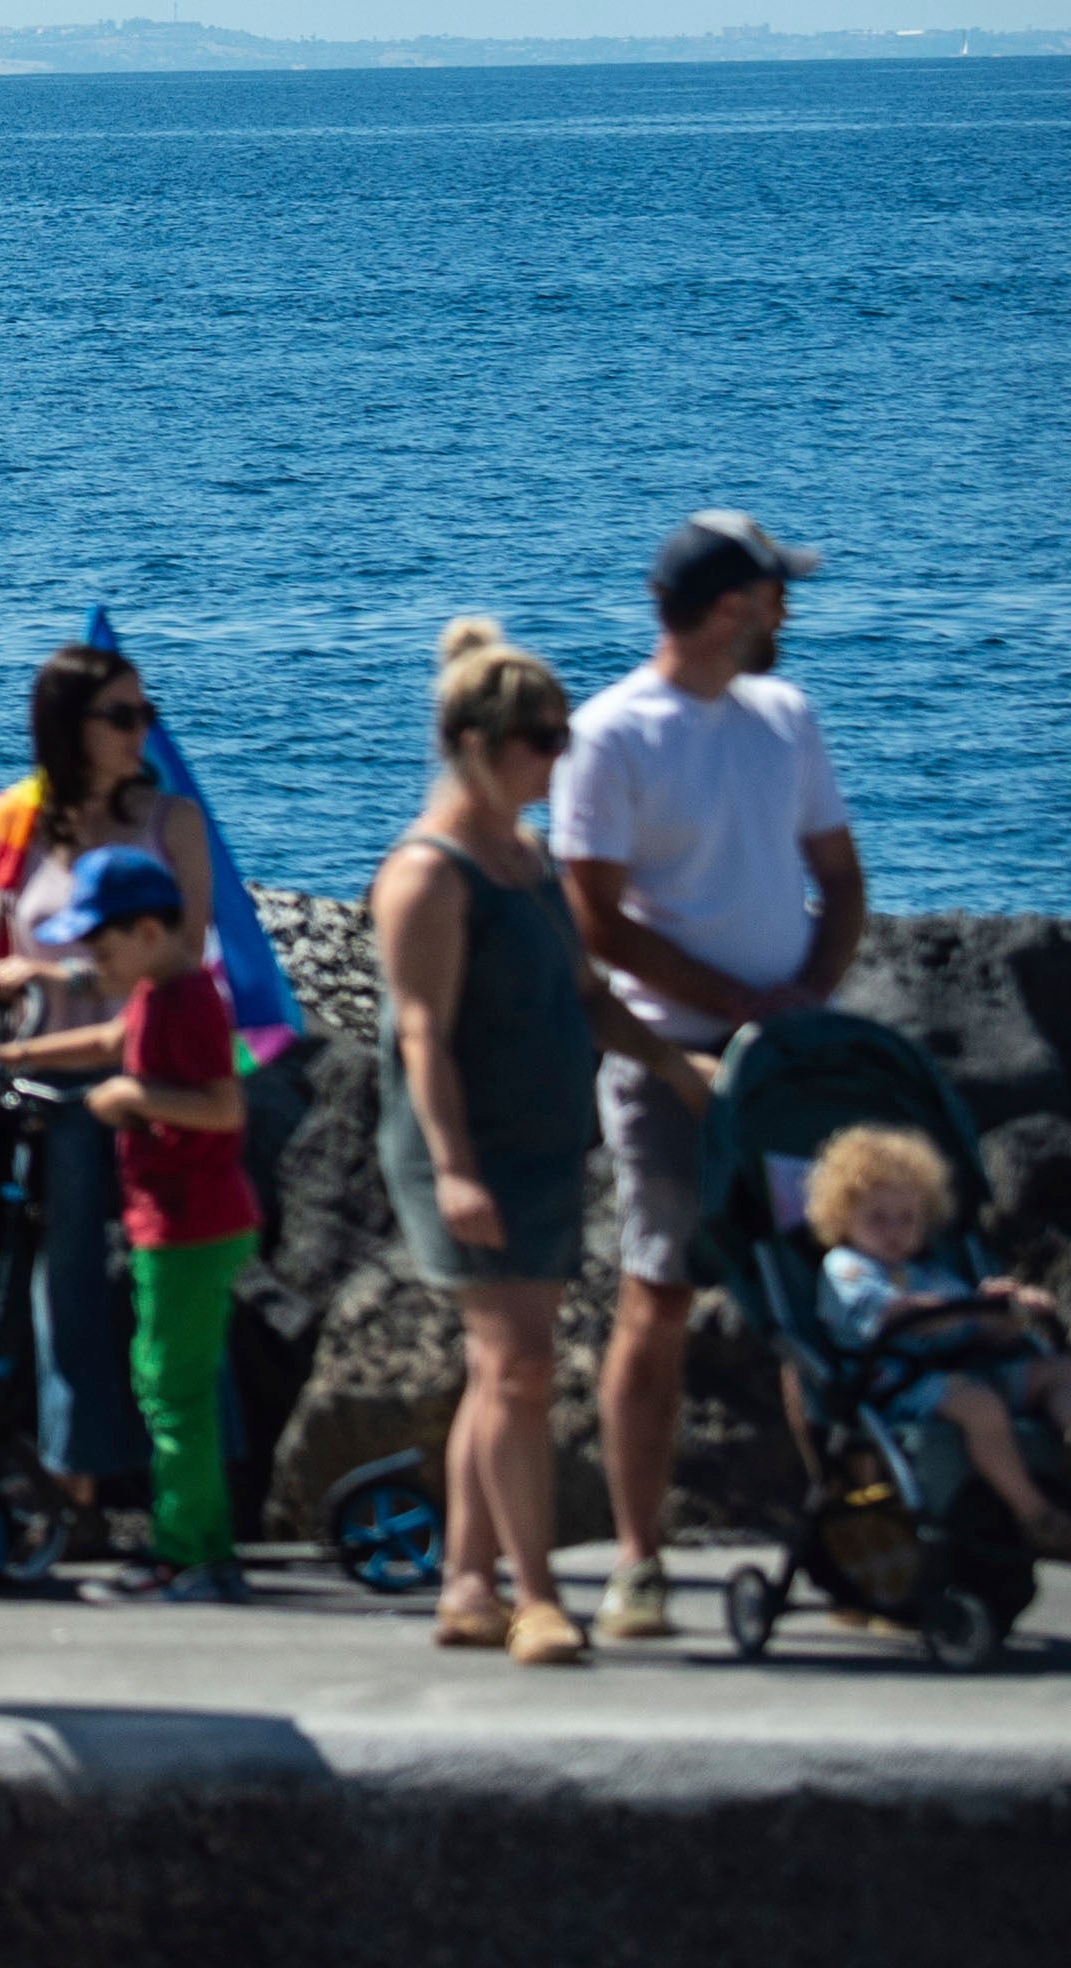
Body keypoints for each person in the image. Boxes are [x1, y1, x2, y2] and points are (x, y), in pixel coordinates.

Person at [554, 511, 867, 1646]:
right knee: (659, 1293)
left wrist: (804, 1001)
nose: (788, 610)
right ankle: (638, 1557)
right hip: (669, 1066)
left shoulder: (784, 718)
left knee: (816, 1301)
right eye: (776, 591)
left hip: (781, 1071)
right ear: (731, 604)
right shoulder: (611, 734)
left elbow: (836, 876)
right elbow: (593, 915)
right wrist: (737, 1009)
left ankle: (852, 1538)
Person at [372, 615, 709, 1666]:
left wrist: (674, 1068)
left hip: (541, 1139)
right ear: (478, 743)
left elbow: (583, 997)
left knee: (498, 1370)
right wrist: (458, 1169)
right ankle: (534, 1593)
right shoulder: (426, 875)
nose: (560, 755)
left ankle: (464, 1582)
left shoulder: (526, 862)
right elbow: (421, 1034)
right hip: (461, 1149)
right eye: (543, 738)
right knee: (519, 1367)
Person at [0, 644, 222, 1516]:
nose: (144, 733)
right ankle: (79, 1484)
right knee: (60, 1292)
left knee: (166, 1287)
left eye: (147, 715)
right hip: (52, 1091)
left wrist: (63, 981)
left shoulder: (170, 824)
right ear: (70, 727)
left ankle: (194, 1490)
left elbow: (183, 961)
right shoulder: (15, 819)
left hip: (148, 1079)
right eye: (123, 717)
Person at [0, 849, 257, 1604]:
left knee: (173, 1392)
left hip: (193, 1223)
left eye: (102, 948)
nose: (93, 963)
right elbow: (109, 1043)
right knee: (170, 1383)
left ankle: (189, 1556)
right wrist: (14, 1052)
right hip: (167, 1221)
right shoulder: (150, 992)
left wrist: (132, 1098)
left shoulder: (191, 1000)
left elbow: (223, 1106)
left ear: (147, 931)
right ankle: (202, 1550)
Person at [804, 1126, 1071, 1553]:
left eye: (906, 1218)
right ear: (842, 1216)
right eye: (878, 1218)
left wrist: (1011, 1312)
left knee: (1059, 1372)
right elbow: (895, 1317)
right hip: (898, 1385)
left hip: (962, 1371)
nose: (894, 1230)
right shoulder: (847, 1269)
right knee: (978, 1404)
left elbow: (978, 1329)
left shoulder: (929, 1271)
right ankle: (1036, 1513)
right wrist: (963, 1310)